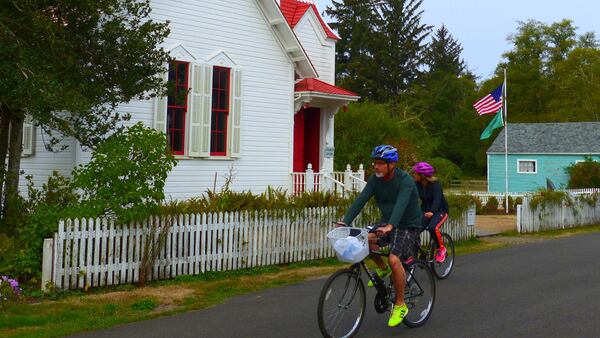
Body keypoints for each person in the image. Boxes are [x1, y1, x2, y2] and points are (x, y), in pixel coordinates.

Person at [336, 145, 422, 327]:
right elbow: (362, 199)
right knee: (365, 241)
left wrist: (391, 225)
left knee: (394, 258)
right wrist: (345, 221)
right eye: (375, 163)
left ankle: (400, 304)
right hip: (387, 222)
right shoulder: (375, 180)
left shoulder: (405, 180)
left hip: (408, 226)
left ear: (392, 164)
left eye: (381, 163)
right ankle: (383, 269)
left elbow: (401, 204)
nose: (376, 167)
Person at [412, 162, 449, 263]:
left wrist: (432, 211)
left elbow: (437, 199)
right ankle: (414, 256)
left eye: (415, 174)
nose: (413, 175)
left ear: (422, 175)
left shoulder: (435, 184)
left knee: (433, 227)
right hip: (425, 210)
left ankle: (441, 249)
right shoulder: (417, 184)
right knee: (414, 229)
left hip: (440, 210)